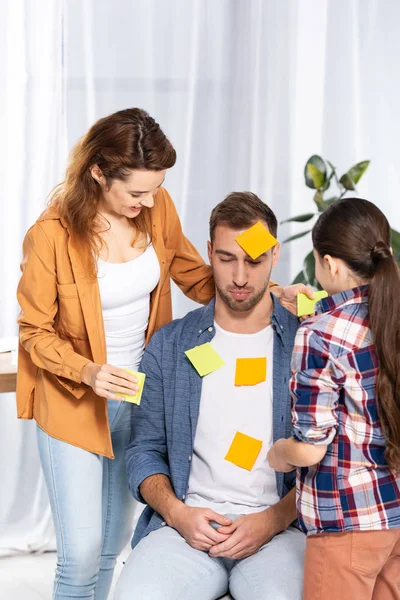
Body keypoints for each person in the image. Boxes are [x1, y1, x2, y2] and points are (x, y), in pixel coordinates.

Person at [17, 109, 304, 599]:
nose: (149, 201)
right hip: (74, 398)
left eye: (156, 188)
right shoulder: (51, 235)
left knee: (110, 545)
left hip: (141, 390)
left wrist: (266, 291)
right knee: (82, 552)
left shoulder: (157, 207)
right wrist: (87, 372)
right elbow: (32, 330)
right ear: (98, 173)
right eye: (137, 192)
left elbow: (199, 274)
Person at [115, 192, 306, 600]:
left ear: (274, 256)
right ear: (208, 253)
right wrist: (178, 513)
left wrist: (271, 520)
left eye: (254, 261)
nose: (240, 277)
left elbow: (328, 461)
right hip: (186, 529)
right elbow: (143, 451)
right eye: (225, 259)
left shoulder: (305, 344)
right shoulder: (171, 345)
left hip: (280, 531)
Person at [268, 198, 400, 600]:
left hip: (346, 524)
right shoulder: (389, 316)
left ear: (330, 264)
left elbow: (309, 449)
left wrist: (277, 452)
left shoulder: (319, 335)